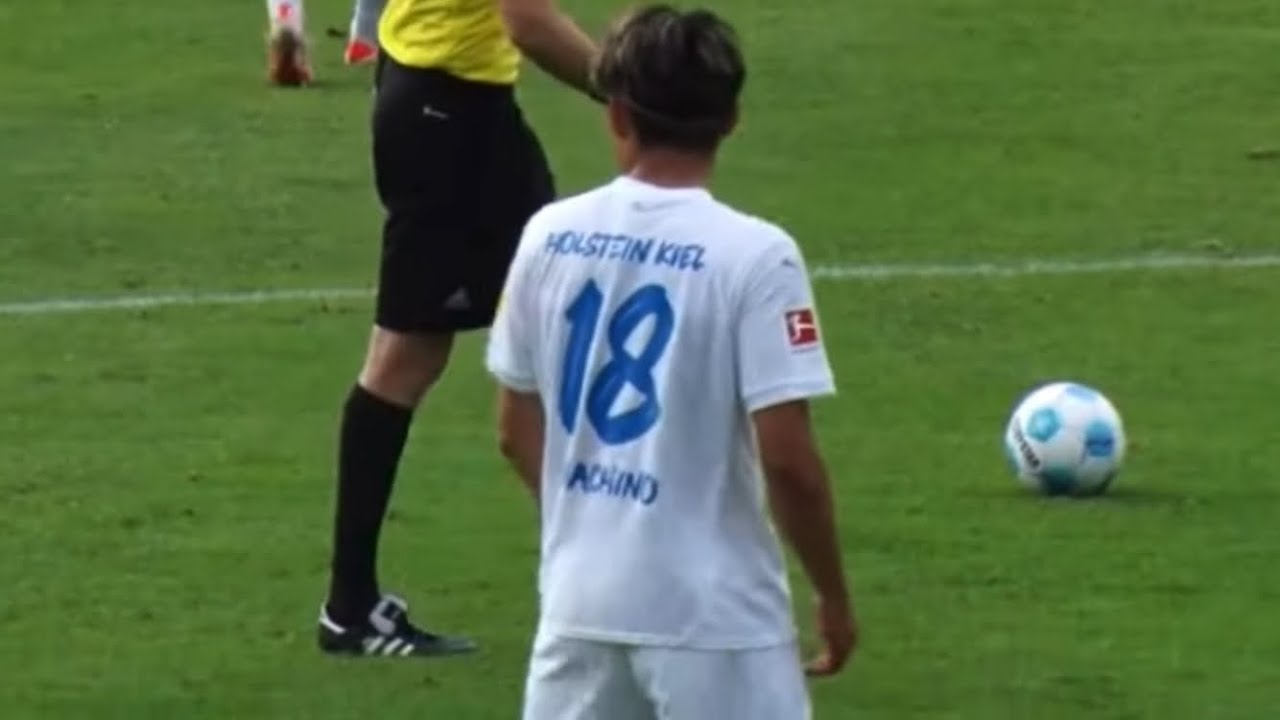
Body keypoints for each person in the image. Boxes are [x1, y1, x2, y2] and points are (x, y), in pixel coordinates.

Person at [485, 5, 859, 717]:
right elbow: (787, 459)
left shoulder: (547, 234)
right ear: (731, 120)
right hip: (715, 617)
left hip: (580, 602)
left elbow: (513, 430)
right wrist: (833, 595)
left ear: (617, 115)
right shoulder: (757, 255)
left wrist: (588, 525)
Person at [315, 0, 601, 658]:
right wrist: (625, 88)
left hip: (460, 101)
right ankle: (349, 606)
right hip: (444, 113)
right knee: (406, 356)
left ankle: (596, 568)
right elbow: (526, 18)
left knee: (556, 314)